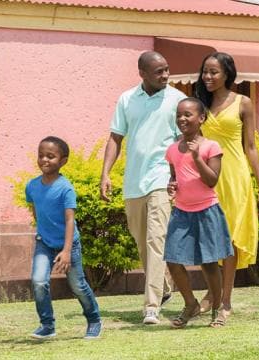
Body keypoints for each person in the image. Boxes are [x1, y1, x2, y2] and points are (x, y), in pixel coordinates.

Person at [100, 51, 186, 324]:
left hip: (162, 180)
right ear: (142, 74)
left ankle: (151, 306)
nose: (165, 75)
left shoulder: (177, 100)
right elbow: (116, 138)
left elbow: (185, 141)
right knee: (142, 242)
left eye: (167, 69)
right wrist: (105, 174)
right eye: (159, 71)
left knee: (155, 240)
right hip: (133, 183)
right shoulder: (127, 99)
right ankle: (164, 288)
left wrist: (181, 177)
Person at [194, 52, 259, 326]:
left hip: (235, 177)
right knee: (208, 242)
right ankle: (212, 293)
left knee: (230, 240)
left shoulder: (243, 102)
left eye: (214, 72)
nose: (208, 77)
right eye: (205, 71)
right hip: (206, 178)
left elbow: (251, 146)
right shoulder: (199, 103)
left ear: (227, 74)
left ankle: (224, 301)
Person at [164, 97, 234, 328]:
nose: (182, 119)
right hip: (182, 213)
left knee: (209, 263)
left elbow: (212, 180)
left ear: (201, 118)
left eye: (188, 115)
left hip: (207, 211)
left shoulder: (211, 147)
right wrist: (171, 185)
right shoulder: (173, 150)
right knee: (173, 260)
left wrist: (196, 157)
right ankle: (190, 304)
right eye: (179, 115)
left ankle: (217, 308)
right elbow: (175, 177)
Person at [26, 136, 102, 339]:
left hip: (69, 245)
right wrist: (42, 234)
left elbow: (70, 220)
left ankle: (94, 319)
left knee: (78, 285)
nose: (44, 160)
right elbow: (36, 213)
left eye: (51, 156)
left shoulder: (65, 188)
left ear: (63, 161)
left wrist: (67, 251)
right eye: (41, 155)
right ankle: (47, 325)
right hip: (44, 243)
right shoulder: (32, 186)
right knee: (39, 281)